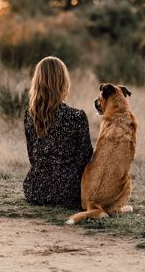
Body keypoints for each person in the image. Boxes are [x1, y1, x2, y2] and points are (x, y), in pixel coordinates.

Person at [23, 56, 93, 209]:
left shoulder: (29, 116)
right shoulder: (77, 117)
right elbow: (85, 158)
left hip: (35, 189)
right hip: (69, 192)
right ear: (63, 82)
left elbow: (33, 157)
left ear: (37, 82)